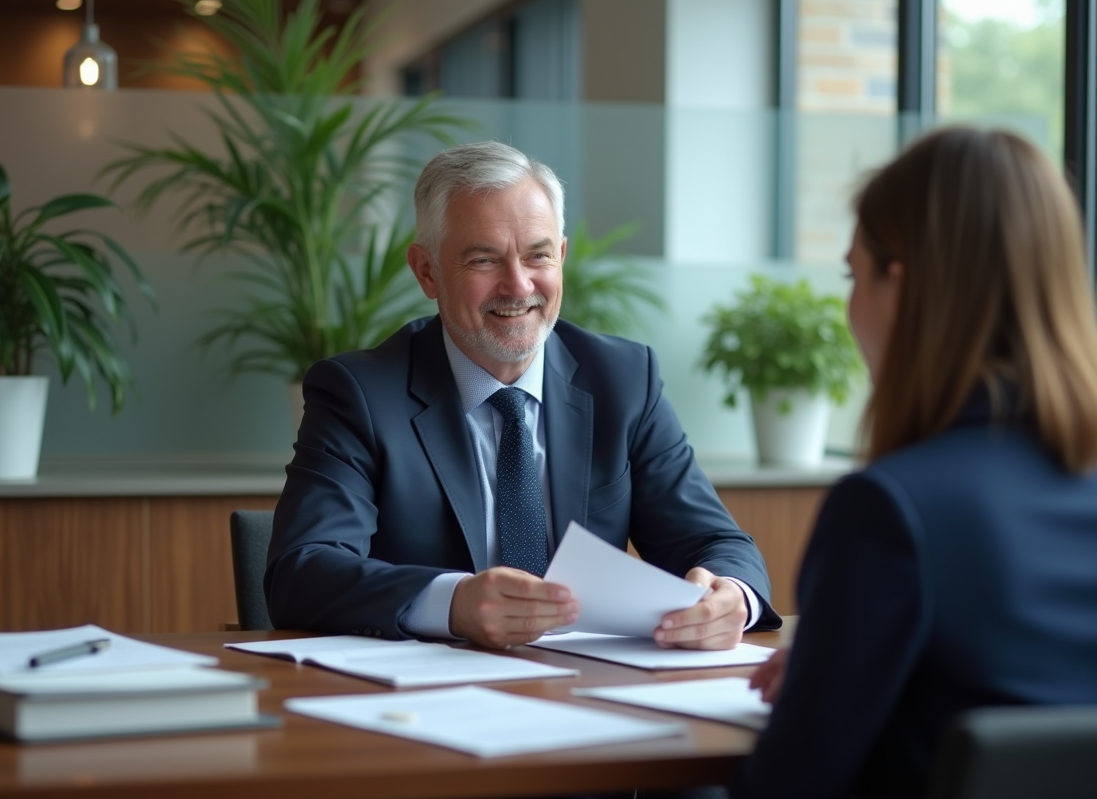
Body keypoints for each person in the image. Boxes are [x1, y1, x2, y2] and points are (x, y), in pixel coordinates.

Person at [265, 140, 780, 650]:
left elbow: (718, 544)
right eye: (484, 260)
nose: (518, 286)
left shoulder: (623, 379)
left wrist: (731, 596)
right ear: (427, 271)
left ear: (561, 256)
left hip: (589, 692)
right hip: (425, 705)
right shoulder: (360, 393)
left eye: (538, 256)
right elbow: (302, 569)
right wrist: (454, 603)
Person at [731, 127, 1097, 799]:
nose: (849, 308)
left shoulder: (892, 510)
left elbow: (788, 788)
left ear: (899, 288)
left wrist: (820, 692)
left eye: (853, 274)